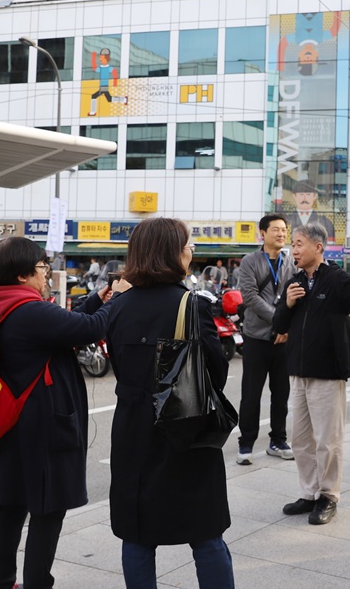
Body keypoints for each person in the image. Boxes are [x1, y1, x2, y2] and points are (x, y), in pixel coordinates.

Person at [0, 236, 119, 589]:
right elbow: (89, 329)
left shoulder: (3, 305)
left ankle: (2, 581)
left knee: (11, 505)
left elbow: (63, 329)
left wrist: (93, 300)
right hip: (42, 426)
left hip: (13, 421)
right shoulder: (30, 309)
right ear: (23, 273)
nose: (46, 274)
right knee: (47, 509)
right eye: (42, 267)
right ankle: (38, 582)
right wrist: (121, 299)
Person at [106, 218, 235, 588]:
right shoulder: (191, 305)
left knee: (137, 534)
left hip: (132, 429)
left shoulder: (119, 306)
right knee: (206, 534)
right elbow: (216, 372)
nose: (191, 252)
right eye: (187, 245)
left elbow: (117, 360)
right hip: (185, 426)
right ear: (172, 254)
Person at [273, 224, 350, 525]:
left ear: (318, 248)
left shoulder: (336, 279)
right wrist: (287, 303)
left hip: (327, 372)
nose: (293, 249)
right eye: (292, 244)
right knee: (300, 439)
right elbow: (279, 325)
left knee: (328, 440)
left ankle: (329, 495)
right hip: (298, 370)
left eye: (299, 244)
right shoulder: (293, 282)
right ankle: (309, 493)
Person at [236, 214, 295, 466]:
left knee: (281, 393)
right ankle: (246, 442)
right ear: (263, 233)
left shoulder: (291, 260)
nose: (281, 234)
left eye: (284, 230)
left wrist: (286, 327)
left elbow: (297, 291)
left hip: (284, 340)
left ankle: (278, 440)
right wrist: (279, 320)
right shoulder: (250, 261)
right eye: (276, 230)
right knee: (251, 393)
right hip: (257, 337)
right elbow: (249, 297)